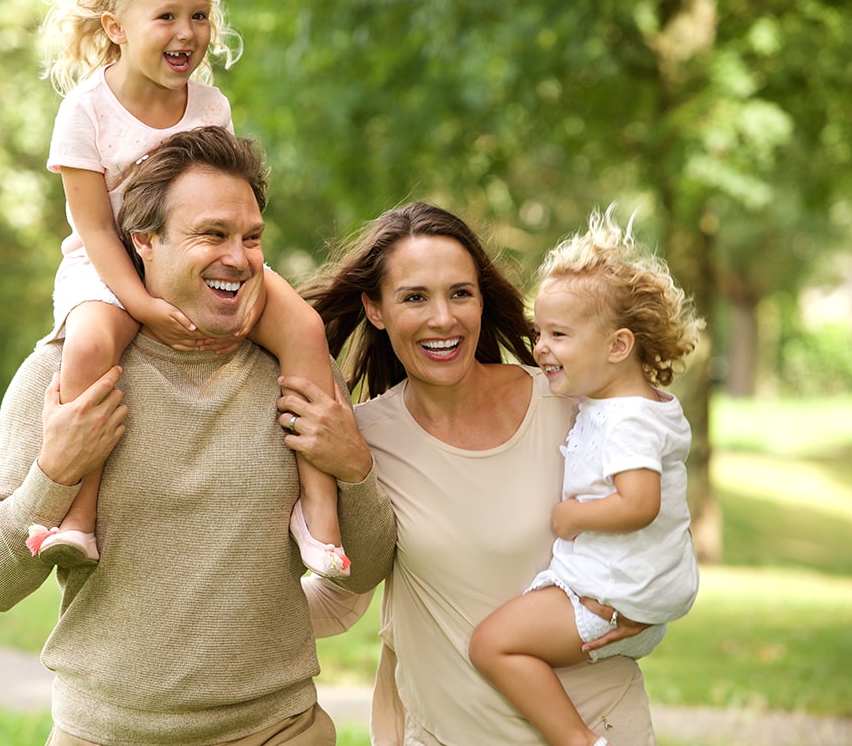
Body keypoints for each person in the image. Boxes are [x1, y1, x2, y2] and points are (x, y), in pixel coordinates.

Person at [0, 126, 396, 746]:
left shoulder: (299, 371)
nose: (240, 258)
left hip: (280, 732)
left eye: (251, 238)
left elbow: (364, 569)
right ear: (144, 242)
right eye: (212, 234)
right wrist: (52, 474)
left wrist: (354, 470)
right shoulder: (64, 374)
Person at [280, 202, 658, 745]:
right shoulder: (360, 443)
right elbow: (343, 599)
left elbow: (652, 534)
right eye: (415, 297)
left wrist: (649, 608)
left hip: (601, 731)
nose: (443, 319)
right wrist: (217, 616)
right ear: (376, 308)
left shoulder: (568, 405)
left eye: (460, 293)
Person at [28, 0, 349, 577]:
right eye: (166, 16)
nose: (187, 33)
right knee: (90, 344)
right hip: (111, 262)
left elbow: (225, 205)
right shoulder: (84, 113)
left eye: (199, 16)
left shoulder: (209, 107)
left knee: (305, 330)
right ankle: (79, 515)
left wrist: (235, 272)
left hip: (197, 258)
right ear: (116, 27)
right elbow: (94, 228)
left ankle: (317, 513)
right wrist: (143, 304)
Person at [468, 207, 703, 746]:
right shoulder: (620, 403)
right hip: (627, 595)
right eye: (538, 332)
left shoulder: (626, 420)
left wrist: (571, 515)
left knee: (493, 645)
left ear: (618, 346)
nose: (540, 348)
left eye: (558, 335)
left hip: (602, 597)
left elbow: (639, 502)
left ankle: (578, 741)